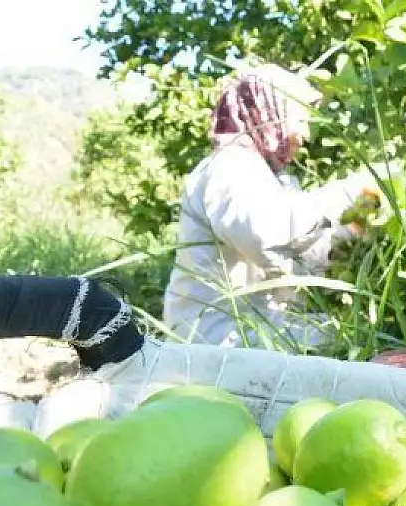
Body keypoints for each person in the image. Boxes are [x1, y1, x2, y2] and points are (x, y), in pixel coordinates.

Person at [162, 62, 393, 350]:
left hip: (249, 329)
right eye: (299, 119)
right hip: (216, 340)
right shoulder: (232, 167)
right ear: (268, 111)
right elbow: (277, 243)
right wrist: (355, 193)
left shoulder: (264, 174)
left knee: (355, 333)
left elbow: (308, 246)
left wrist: (359, 225)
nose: (305, 134)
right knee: (357, 339)